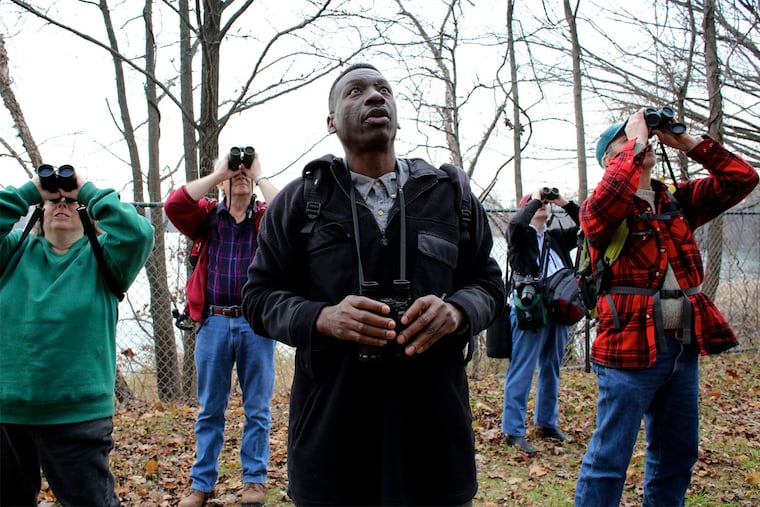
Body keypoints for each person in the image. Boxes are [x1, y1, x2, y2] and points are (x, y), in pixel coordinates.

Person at [240, 63, 504, 506]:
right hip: (332, 435)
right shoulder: (302, 201)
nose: (374, 97)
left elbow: (489, 283)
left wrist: (458, 311)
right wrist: (321, 318)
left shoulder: (449, 194)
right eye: (355, 92)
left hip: (434, 435)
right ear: (330, 122)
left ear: (397, 117)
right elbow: (258, 296)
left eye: (383, 90)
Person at [574, 108, 758, 506]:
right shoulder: (598, 207)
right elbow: (605, 205)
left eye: (639, 138)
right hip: (627, 351)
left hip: (680, 348)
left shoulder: (673, 200)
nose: (640, 143)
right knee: (609, 459)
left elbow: (742, 178)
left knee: (676, 456)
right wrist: (635, 140)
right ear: (611, 159)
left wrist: (688, 143)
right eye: (625, 140)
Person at [0, 167, 155, 506]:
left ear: (86, 215)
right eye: (53, 200)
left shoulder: (104, 258)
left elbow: (139, 234)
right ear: (39, 211)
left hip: (77, 417)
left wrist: (85, 190)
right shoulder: (11, 252)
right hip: (6, 413)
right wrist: (29, 191)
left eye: (69, 201)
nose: (61, 205)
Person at [165, 150, 279, 507]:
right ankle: (201, 484)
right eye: (235, 172)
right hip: (213, 321)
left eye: (244, 170)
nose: (240, 174)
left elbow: (289, 212)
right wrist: (219, 174)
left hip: (256, 324)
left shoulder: (265, 219)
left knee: (257, 409)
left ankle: (254, 482)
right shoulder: (207, 218)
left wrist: (258, 174)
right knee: (210, 409)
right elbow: (173, 205)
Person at [501, 187, 580, 455]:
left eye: (545, 205)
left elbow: (589, 226)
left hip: (558, 309)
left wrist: (563, 202)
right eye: (537, 205)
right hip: (529, 311)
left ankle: (547, 423)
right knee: (522, 368)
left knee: (552, 367)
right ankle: (513, 430)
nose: (543, 206)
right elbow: (515, 222)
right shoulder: (520, 238)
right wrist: (535, 200)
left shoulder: (555, 238)